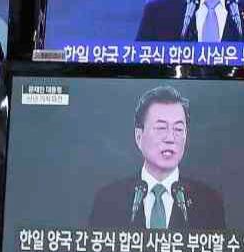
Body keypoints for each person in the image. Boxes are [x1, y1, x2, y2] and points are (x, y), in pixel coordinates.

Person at [87, 86, 226, 231]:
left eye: (178, 129)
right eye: (161, 128)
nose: (170, 138)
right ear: (138, 136)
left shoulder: (209, 203)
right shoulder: (109, 200)